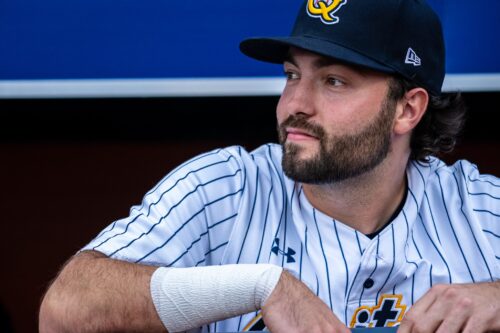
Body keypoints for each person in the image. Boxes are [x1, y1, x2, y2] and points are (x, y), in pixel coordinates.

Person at [39, 0, 500, 332]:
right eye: (292, 75)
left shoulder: (477, 209)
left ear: (407, 109)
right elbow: (63, 310)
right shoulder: (225, 189)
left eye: (334, 81)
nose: (294, 104)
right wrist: (260, 286)